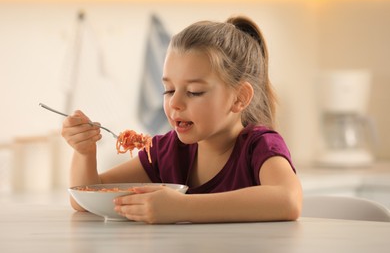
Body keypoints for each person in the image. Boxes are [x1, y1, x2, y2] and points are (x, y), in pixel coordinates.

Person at [62, 15, 302, 224]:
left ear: (239, 98)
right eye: (168, 90)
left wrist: (181, 208)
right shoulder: (165, 152)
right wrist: (84, 153)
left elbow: (288, 199)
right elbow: (85, 200)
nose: (174, 103)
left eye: (194, 92)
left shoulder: (260, 146)